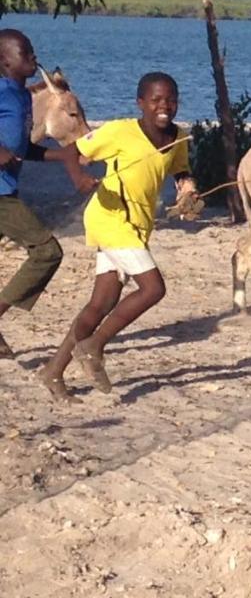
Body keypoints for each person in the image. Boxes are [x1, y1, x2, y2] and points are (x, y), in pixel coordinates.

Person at [36, 72, 196, 400]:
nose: (163, 106)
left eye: (170, 100)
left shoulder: (178, 136)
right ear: (140, 103)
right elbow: (73, 153)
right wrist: (80, 177)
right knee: (153, 288)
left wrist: (188, 189)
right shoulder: (120, 131)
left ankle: (54, 370)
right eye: (155, 100)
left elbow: (180, 169)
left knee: (101, 303)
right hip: (110, 218)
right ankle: (93, 346)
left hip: (137, 224)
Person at [0, 30, 96, 362]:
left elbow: (23, 147)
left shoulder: (22, 97)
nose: (33, 58)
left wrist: (66, 155)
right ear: (4, 60)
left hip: (8, 187)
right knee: (47, 252)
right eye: (25, 53)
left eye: (32, 52)